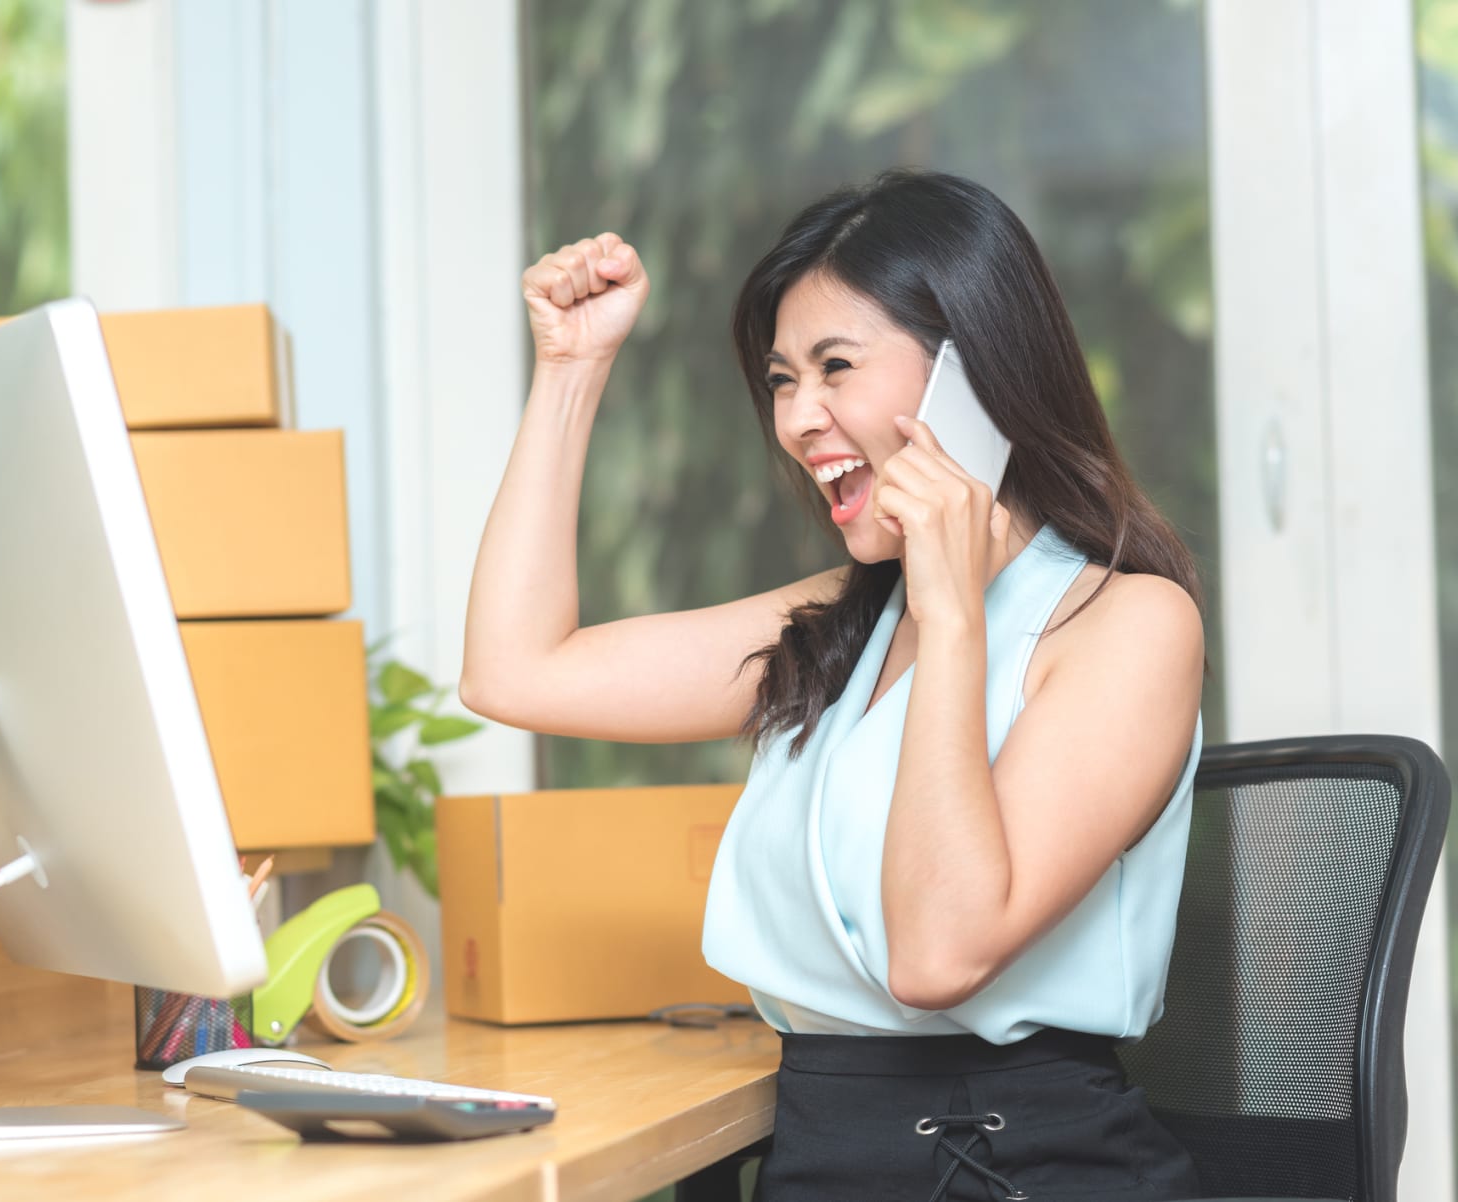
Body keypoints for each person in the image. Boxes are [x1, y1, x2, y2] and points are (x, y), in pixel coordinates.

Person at [461, 168, 1206, 1202]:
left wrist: (953, 617)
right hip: (825, 1151)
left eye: (836, 366)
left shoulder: (1127, 623)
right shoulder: (853, 615)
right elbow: (514, 670)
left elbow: (938, 956)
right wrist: (572, 370)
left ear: (973, 377)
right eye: (779, 379)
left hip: (1019, 1168)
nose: (800, 417)